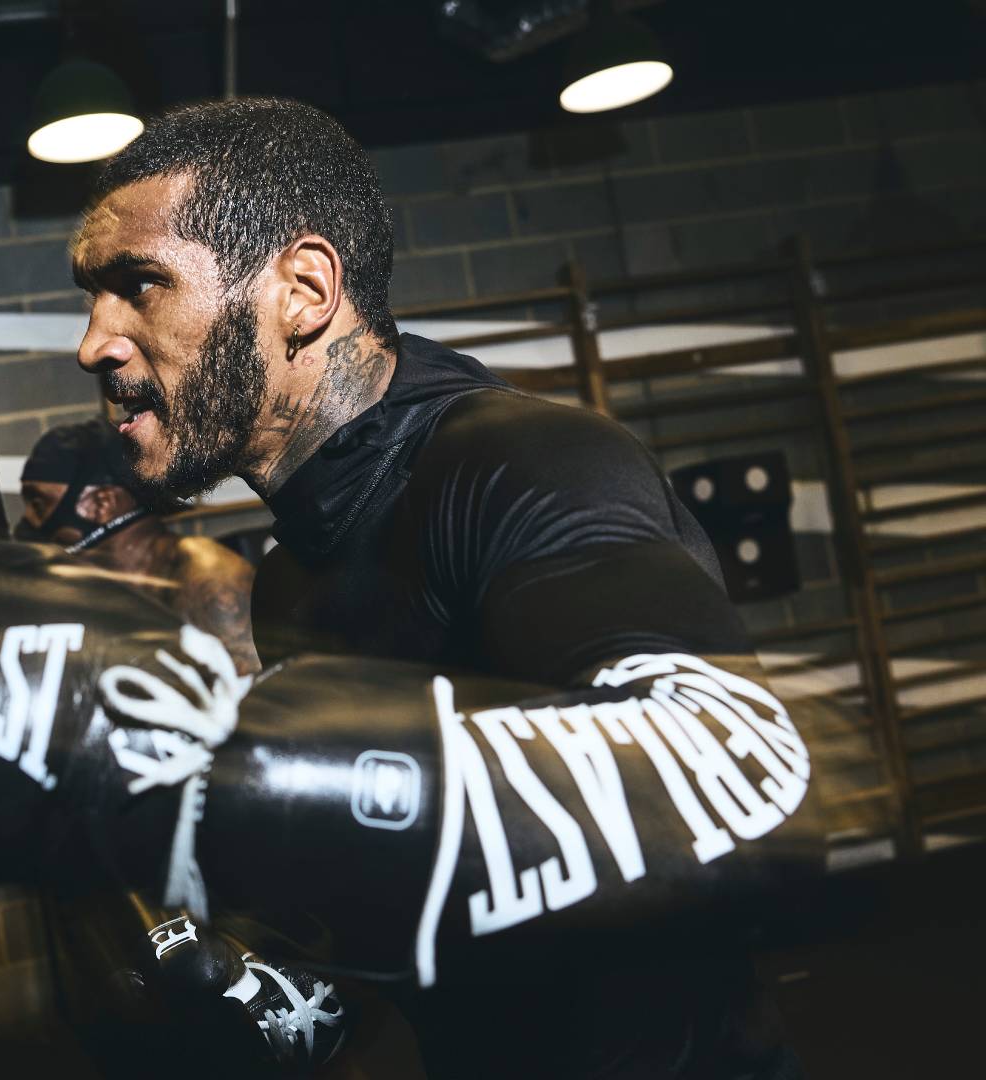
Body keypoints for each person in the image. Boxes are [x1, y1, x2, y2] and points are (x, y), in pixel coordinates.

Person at [55, 97, 805, 1078]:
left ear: (304, 290)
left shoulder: (523, 465)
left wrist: (328, 793)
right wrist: (291, 984)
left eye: (138, 285)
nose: (95, 342)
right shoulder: (294, 573)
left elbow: (736, 759)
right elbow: (424, 909)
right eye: (89, 296)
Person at [13, 419, 260, 673]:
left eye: (39, 504)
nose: (29, 520)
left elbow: (252, 699)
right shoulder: (96, 588)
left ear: (102, 503)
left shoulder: (208, 580)